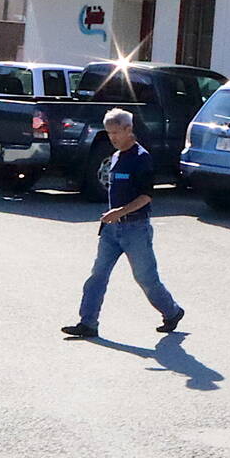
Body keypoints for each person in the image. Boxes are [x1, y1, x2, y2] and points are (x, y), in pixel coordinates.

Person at [61, 109, 185, 338]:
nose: (113, 138)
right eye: (109, 133)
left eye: (116, 132)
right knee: (97, 276)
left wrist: (120, 211)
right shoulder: (116, 156)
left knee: (146, 278)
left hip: (136, 228)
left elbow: (147, 196)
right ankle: (88, 323)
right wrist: (113, 216)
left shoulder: (141, 158)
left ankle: (172, 311)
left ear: (129, 129)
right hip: (112, 230)